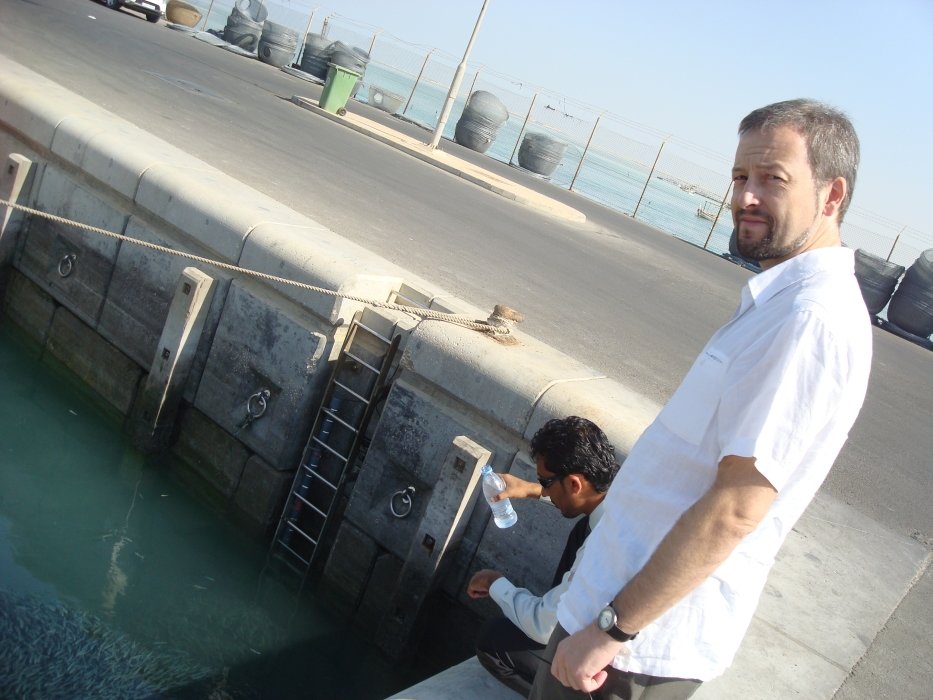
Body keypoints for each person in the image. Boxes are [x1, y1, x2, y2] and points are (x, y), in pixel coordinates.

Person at [531, 99, 873, 700]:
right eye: (740, 176)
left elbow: (737, 508)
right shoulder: (779, 305)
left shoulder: (809, 320)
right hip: (610, 611)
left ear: (832, 194)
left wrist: (613, 629)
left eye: (773, 178)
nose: (745, 196)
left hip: (635, 648)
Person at [466, 416, 621, 696]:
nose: (544, 488)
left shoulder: (602, 547)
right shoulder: (624, 491)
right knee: (580, 529)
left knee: (493, 642)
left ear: (574, 484)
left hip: (610, 667)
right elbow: (577, 495)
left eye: (546, 481)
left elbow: (544, 625)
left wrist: (495, 584)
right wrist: (532, 489)